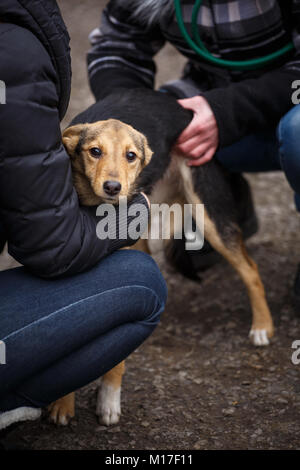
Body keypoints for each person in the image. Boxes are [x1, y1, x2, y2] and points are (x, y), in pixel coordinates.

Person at [0, 0, 167, 449]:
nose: (113, 176)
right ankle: (23, 393)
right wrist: (138, 214)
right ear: (72, 145)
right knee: (142, 282)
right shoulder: (16, 51)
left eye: (129, 160)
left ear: (142, 161)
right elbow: (47, 252)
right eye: (95, 153)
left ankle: (105, 377)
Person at [87, 0, 300, 310]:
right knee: (161, 119)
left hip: (287, 102)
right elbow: (115, 46)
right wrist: (130, 118)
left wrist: (230, 110)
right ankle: (222, 197)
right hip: (215, 102)